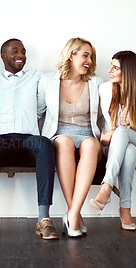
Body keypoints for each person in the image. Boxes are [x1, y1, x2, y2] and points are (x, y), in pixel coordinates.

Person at [0, 38, 59, 240]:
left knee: (45, 144)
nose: (21, 56)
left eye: (24, 52)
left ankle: (44, 219)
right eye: (15, 51)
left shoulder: (36, 76)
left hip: (29, 139)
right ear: (3, 56)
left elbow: (57, 80)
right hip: (1, 140)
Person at [38, 38, 103, 237]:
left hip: (87, 134)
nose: (90, 61)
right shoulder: (48, 81)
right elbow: (38, 111)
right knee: (64, 142)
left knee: (91, 145)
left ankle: (72, 213)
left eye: (91, 57)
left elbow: (105, 114)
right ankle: (74, 214)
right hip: (59, 135)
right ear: (71, 55)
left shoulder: (96, 83)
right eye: (85, 55)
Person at [90, 50, 136, 230]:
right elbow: (95, 120)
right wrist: (106, 135)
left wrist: (119, 130)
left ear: (128, 71)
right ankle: (125, 208)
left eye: (116, 67)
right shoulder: (104, 88)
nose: (110, 70)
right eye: (111, 65)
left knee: (125, 137)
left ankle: (106, 186)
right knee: (129, 152)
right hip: (112, 147)